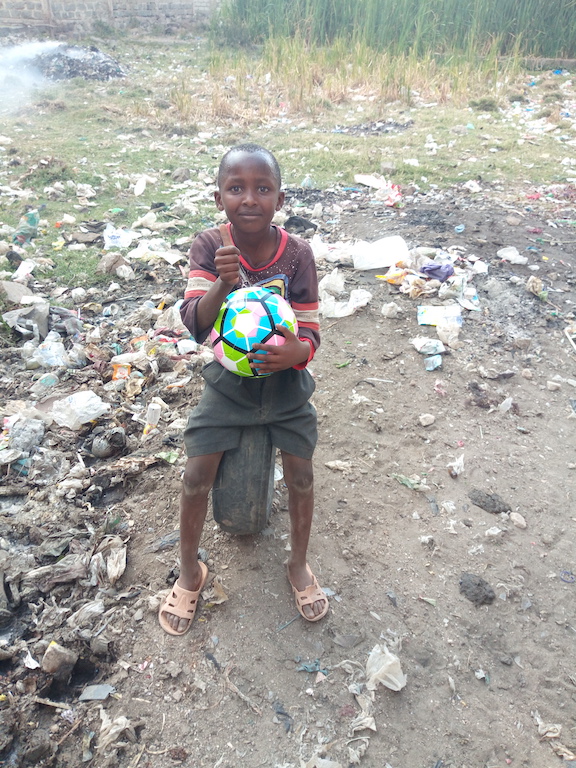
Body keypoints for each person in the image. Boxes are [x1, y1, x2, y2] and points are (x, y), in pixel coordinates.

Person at [158, 143, 328, 636]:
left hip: (287, 387)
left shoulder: (297, 254)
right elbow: (195, 324)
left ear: (280, 198)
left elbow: (310, 328)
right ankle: (190, 571)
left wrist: (297, 353)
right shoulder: (209, 245)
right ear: (219, 198)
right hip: (227, 386)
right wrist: (221, 282)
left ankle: (298, 562)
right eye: (236, 188)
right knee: (195, 476)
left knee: (301, 476)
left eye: (262, 188)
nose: (249, 199)